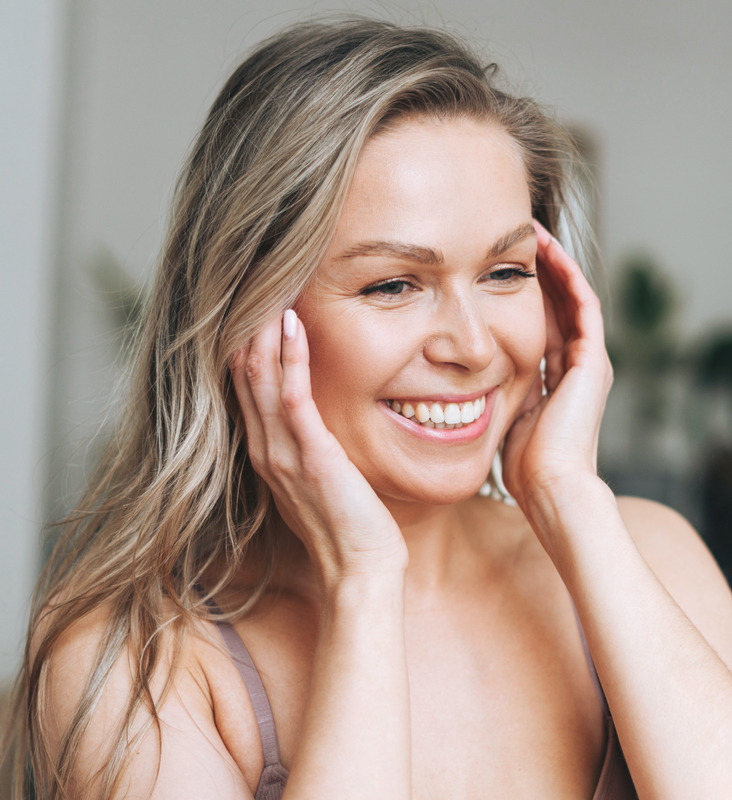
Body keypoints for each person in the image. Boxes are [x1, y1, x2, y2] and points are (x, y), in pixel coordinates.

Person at [6, 18, 732, 800]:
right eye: (393, 284)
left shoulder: (649, 556)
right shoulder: (134, 662)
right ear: (246, 317)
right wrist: (363, 580)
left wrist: (568, 498)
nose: (475, 347)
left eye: (505, 271)